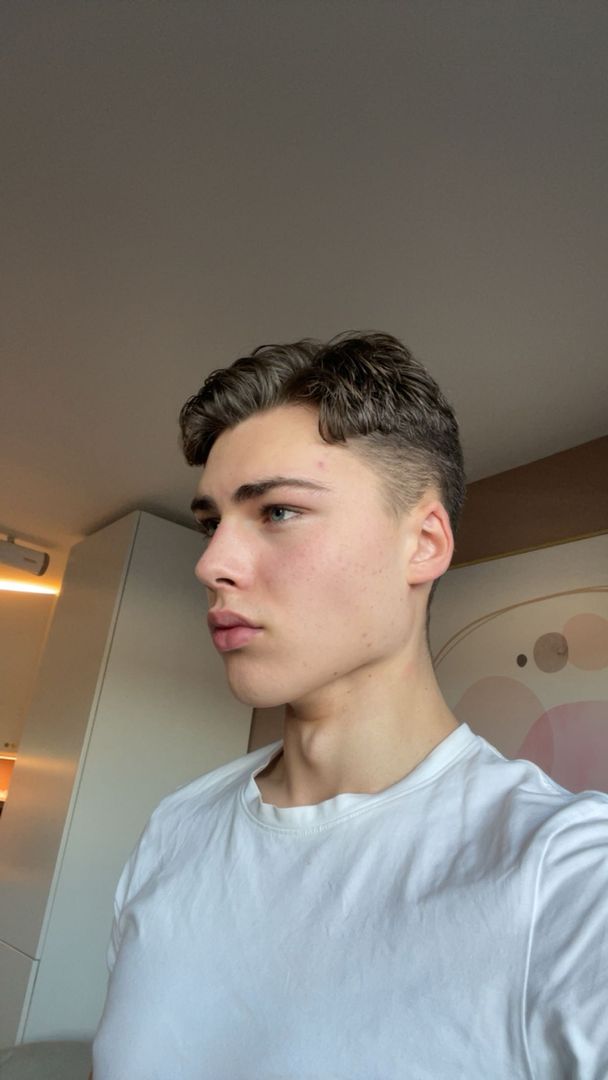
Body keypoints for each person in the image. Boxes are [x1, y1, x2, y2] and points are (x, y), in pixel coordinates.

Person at [91, 332, 608, 1079]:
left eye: (277, 511)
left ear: (423, 543)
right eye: (211, 523)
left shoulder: (568, 879)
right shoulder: (175, 828)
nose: (210, 564)